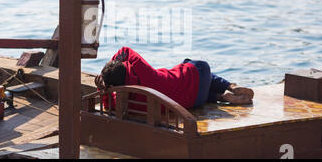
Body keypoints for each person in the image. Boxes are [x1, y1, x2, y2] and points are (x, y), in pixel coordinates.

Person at [95, 47, 254, 110]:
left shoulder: (124, 100)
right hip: (199, 74)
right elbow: (125, 50)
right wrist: (112, 64)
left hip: (194, 102)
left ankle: (221, 97)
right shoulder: (146, 75)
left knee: (191, 91)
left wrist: (103, 89)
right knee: (189, 65)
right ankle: (230, 86)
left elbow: (109, 108)